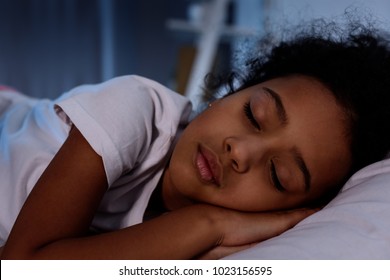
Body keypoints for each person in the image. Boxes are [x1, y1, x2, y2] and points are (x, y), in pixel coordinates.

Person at [1, 19, 390, 259]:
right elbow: (23, 266)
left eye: (278, 176)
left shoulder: (224, 247)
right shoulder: (135, 108)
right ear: (231, 94)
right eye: (253, 114)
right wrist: (208, 223)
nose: (240, 150)